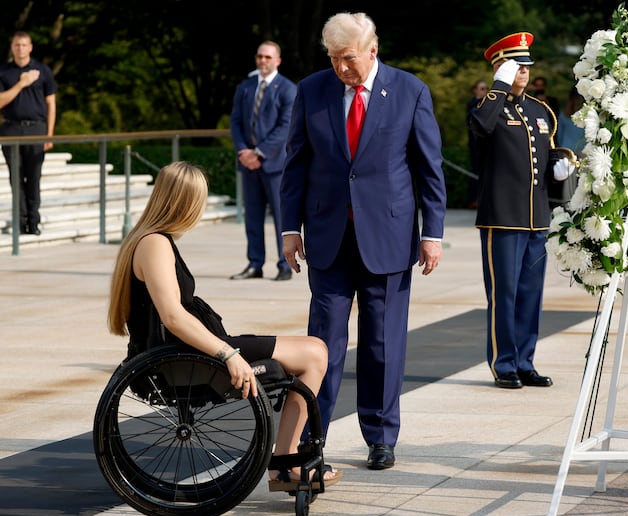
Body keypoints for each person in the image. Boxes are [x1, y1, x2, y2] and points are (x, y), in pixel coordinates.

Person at [107, 161, 340, 489]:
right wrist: (228, 353)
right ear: (185, 202)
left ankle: (285, 461)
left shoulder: (149, 239)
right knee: (315, 355)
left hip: (187, 350)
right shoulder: (154, 244)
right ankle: (285, 464)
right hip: (183, 359)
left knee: (315, 349)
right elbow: (173, 316)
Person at [280, 12, 447, 470]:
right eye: (333, 59)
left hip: (390, 238)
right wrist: (290, 229)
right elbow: (295, 163)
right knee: (322, 345)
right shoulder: (312, 90)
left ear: (372, 50)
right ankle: (314, 434)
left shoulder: (409, 91)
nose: (340, 69)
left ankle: (380, 435)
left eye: (348, 59)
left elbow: (428, 168)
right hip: (328, 237)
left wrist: (432, 234)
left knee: (383, 343)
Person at [468, 32, 575, 390]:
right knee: (505, 294)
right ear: (499, 68)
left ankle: (526, 360)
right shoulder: (489, 108)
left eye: (526, 65)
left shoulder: (539, 110)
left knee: (530, 293)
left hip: (536, 218)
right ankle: (504, 363)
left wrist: (563, 165)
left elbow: (547, 154)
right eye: (515, 66)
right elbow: (481, 126)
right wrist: (498, 86)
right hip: (502, 217)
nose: (524, 72)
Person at [229, 41, 296, 281]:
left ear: (277, 60)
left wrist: (258, 153)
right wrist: (243, 152)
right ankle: (254, 264)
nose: (263, 61)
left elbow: (285, 127)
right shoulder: (245, 88)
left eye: (268, 57)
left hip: (275, 165)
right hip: (248, 164)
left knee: (281, 217)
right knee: (253, 217)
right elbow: (235, 122)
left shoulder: (287, 89)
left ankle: (284, 264)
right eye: (259, 56)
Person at [0, 31, 57, 236]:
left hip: (36, 129)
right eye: (17, 45)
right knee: (16, 178)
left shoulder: (43, 71)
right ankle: (20, 221)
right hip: (11, 128)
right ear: (12, 47)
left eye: (24, 45)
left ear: (30, 47)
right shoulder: (3, 72)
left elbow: (51, 103)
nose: (20, 48)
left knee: (33, 178)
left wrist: (49, 134)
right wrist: (21, 83)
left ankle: (33, 222)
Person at [466, 79, 488, 209]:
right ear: (475, 90)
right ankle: (474, 199)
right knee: (476, 171)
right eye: (481, 88)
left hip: (485, 144)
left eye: (486, 89)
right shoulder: (474, 104)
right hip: (476, 144)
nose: (484, 91)